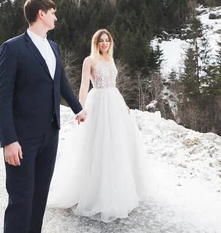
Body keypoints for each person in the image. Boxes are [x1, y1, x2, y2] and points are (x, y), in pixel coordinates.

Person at [0, 0, 87, 233]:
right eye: (53, 12)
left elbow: (60, 82)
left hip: (50, 135)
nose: (56, 17)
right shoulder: (12, 48)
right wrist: (8, 140)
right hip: (22, 138)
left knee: (39, 199)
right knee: (21, 200)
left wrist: (78, 108)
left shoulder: (53, 47)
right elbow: (3, 97)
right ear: (41, 14)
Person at [47, 29, 153, 222]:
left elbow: (114, 85)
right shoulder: (90, 60)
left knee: (117, 146)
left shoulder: (110, 59)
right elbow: (83, 86)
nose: (104, 44)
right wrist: (79, 109)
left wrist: (124, 105)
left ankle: (117, 189)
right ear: (95, 43)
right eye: (101, 41)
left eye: (107, 40)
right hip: (98, 103)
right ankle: (95, 191)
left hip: (114, 103)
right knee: (98, 144)